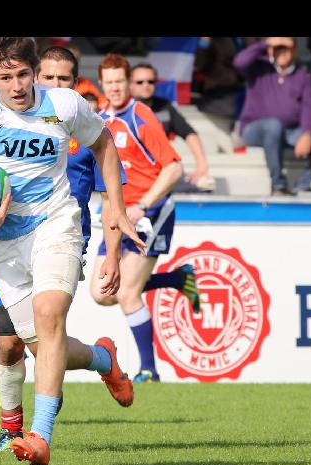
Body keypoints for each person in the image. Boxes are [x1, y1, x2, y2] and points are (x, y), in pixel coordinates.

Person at [0, 37, 142, 465]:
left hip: (56, 223)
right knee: (43, 346)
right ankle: (102, 358)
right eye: (6, 77)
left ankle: (39, 436)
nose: (17, 86)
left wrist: (115, 205)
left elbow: (103, 143)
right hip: (4, 241)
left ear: (35, 70)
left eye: (23, 74)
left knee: (49, 316)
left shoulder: (64, 105)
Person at [93, 53, 185, 384]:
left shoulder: (140, 115)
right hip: (119, 215)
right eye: (110, 82)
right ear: (102, 83)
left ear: (128, 83)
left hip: (150, 212)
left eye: (121, 81)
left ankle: (150, 370)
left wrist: (144, 204)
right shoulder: (100, 119)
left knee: (128, 293)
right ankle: (176, 280)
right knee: (102, 293)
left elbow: (174, 166)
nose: (115, 87)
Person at [233, 37, 311, 195]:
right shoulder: (259, 68)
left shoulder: (302, 74)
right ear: (270, 49)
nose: (282, 51)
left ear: (294, 50)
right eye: (278, 47)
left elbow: (309, 107)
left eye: (286, 48)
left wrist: (307, 133)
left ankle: (303, 182)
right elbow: (239, 62)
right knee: (273, 125)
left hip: (289, 131)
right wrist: (265, 44)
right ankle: (278, 185)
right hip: (253, 130)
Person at [130, 62, 214, 192]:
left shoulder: (165, 107)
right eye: (140, 82)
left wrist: (202, 165)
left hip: (163, 172)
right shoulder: (121, 109)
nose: (146, 86)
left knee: (204, 186)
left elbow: (189, 133)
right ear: (130, 84)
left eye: (150, 81)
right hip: (131, 174)